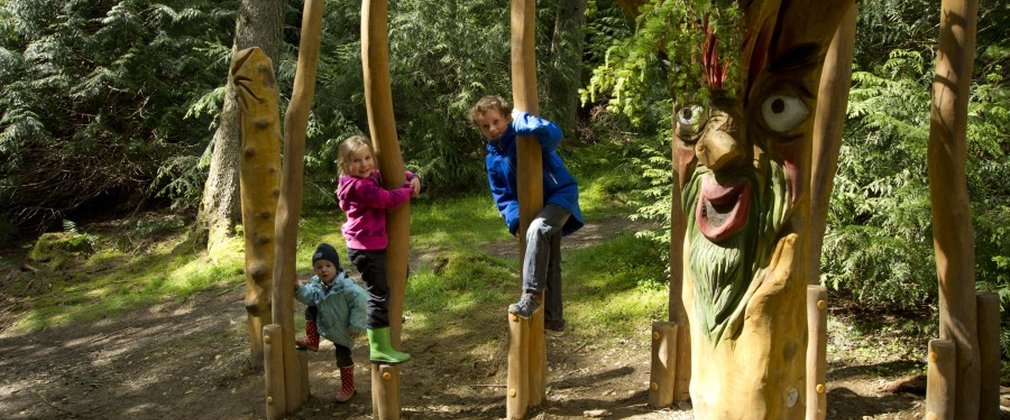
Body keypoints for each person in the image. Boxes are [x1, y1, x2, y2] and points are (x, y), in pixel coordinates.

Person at [468, 95, 583, 336]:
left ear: (507, 117)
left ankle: (530, 295)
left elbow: (554, 134)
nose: (492, 128)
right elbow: (501, 196)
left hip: (560, 195)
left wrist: (523, 121)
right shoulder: (492, 159)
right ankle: (554, 319)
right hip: (531, 209)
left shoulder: (526, 135)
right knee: (549, 259)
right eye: (485, 126)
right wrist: (515, 220)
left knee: (538, 229)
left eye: (496, 121)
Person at [335, 135, 420, 364]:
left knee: (399, 274)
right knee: (378, 294)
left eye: (367, 158)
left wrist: (413, 177)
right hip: (365, 248)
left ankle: (387, 320)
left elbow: (387, 176)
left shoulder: (369, 177)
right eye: (356, 161)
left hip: (371, 245)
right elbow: (386, 198)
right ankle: (379, 347)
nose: (364, 165)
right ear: (344, 165)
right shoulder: (358, 186)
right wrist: (408, 191)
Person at [294, 243, 367, 403]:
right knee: (310, 309)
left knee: (342, 357)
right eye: (319, 267)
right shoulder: (317, 284)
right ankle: (312, 340)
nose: (324, 270)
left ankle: (348, 387)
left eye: (328, 265)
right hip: (327, 321)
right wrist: (298, 287)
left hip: (343, 329)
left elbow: (362, 302)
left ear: (336, 266)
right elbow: (309, 297)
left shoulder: (347, 287)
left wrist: (355, 325)